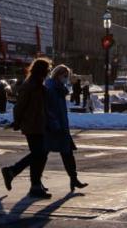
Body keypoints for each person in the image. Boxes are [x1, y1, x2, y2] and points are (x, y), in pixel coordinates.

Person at [1, 57, 52, 199]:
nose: (48, 72)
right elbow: (19, 107)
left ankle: (35, 184)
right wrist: (17, 122)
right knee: (38, 153)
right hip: (32, 125)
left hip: (40, 125)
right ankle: (12, 171)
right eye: (47, 70)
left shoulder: (40, 85)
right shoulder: (29, 85)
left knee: (41, 154)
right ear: (41, 70)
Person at [44, 64, 88, 192]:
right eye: (64, 76)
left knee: (68, 154)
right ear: (58, 75)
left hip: (62, 127)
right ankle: (31, 179)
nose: (66, 79)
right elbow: (49, 109)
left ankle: (74, 179)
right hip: (55, 128)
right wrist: (55, 124)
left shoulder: (59, 88)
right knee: (40, 156)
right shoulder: (52, 88)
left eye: (67, 76)